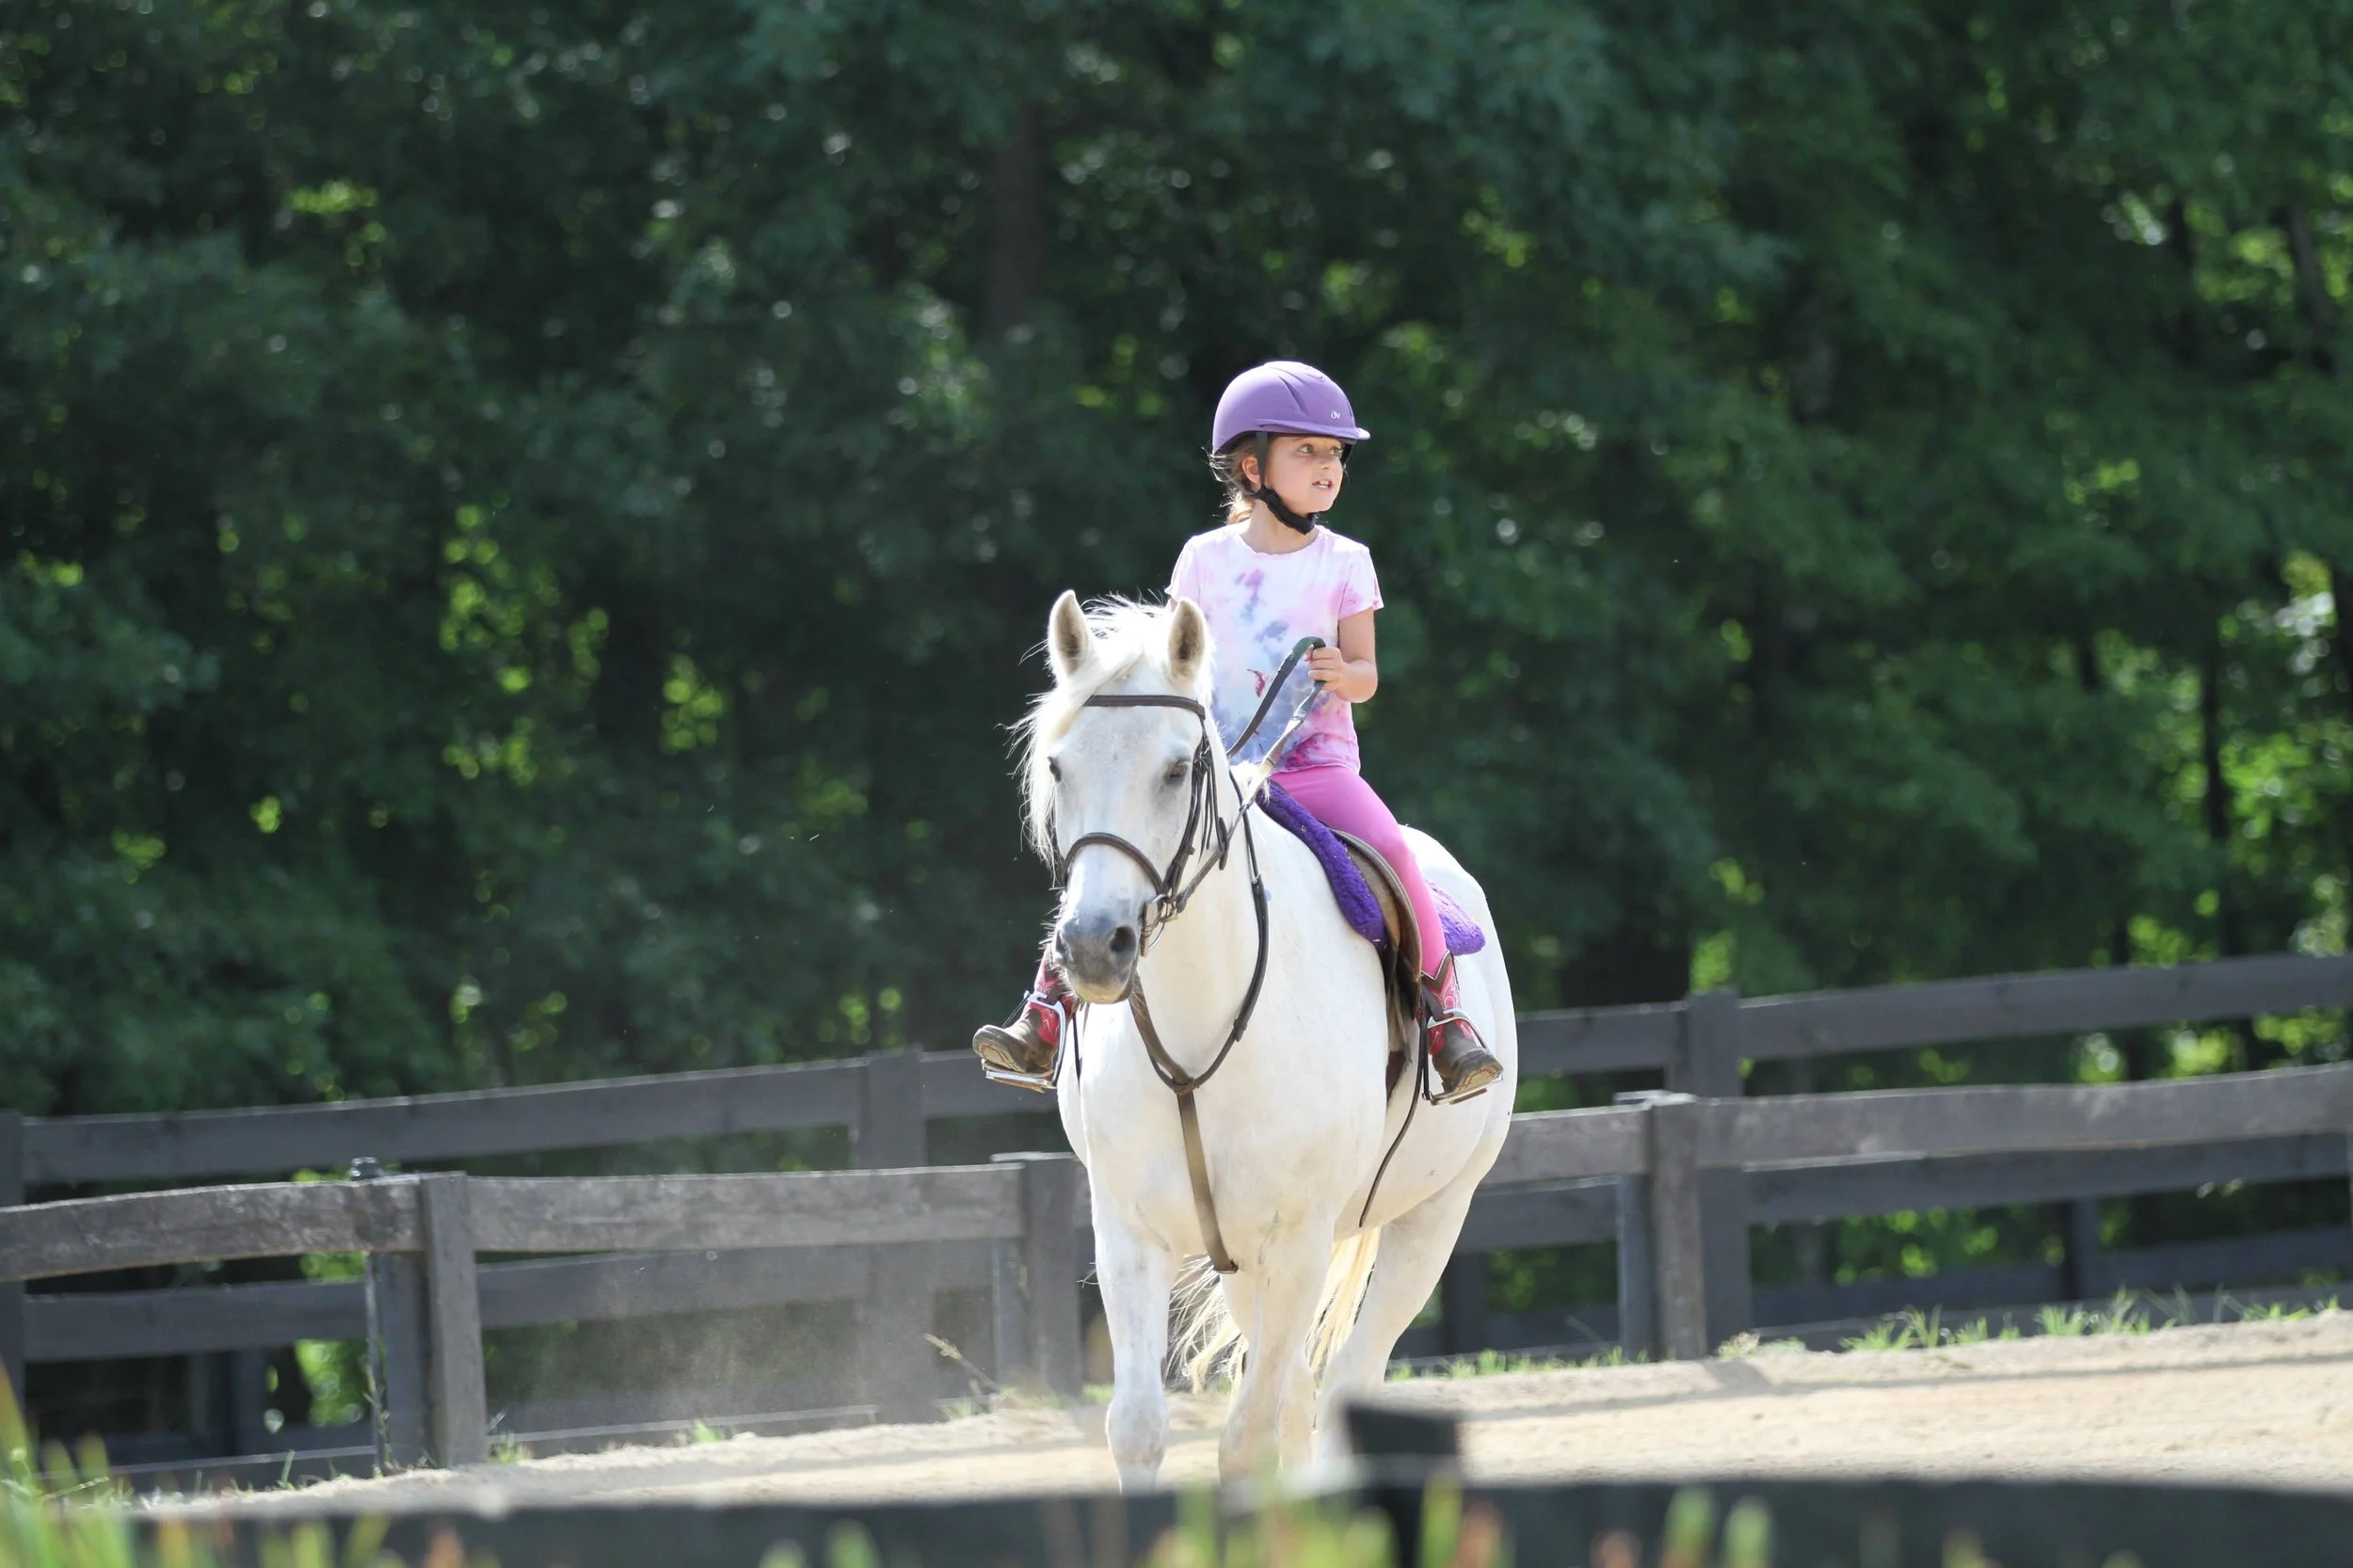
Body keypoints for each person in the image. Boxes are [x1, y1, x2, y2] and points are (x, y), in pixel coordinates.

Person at [973, 360, 1504, 1103]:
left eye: (1336, 454)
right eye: (1308, 452)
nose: (1329, 468)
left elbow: (1368, 675)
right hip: (1214, 768)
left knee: (1392, 850)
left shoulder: (1347, 563)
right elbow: (1177, 664)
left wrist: (1339, 674)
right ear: (1253, 467)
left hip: (1317, 766)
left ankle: (1448, 1020)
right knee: (1115, 851)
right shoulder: (1204, 559)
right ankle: (1045, 1013)